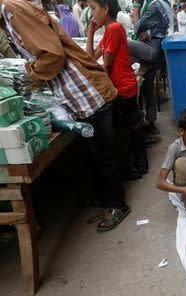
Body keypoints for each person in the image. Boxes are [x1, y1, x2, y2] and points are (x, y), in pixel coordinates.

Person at [0, 0, 129, 231]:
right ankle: (107, 201)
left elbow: (52, 55)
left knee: (103, 156)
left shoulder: (12, 11)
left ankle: (117, 205)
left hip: (88, 93)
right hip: (80, 93)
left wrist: (31, 75)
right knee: (95, 155)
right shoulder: (12, 11)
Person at [87, 0, 147, 181]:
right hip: (125, 86)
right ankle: (139, 165)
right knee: (132, 128)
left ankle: (130, 170)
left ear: (105, 9)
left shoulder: (113, 29)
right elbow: (90, 58)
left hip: (122, 90)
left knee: (122, 133)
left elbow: (105, 65)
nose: (92, 14)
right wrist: (90, 32)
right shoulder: (110, 30)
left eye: (93, 8)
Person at [128, 0, 170, 137]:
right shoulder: (163, 3)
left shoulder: (154, 5)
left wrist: (136, 8)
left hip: (151, 51)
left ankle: (137, 66)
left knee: (123, 41)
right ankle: (151, 125)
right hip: (154, 51)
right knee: (147, 88)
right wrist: (146, 32)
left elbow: (137, 26)